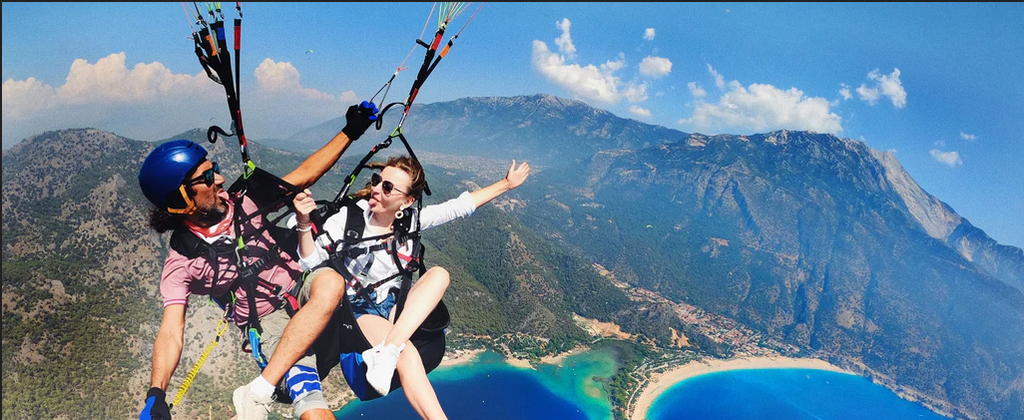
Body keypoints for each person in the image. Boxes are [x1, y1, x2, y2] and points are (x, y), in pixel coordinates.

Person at [234, 155, 531, 420]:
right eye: (378, 181)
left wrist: (506, 184)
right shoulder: (349, 220)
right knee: (409, 356)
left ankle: (388, 350)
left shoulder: (410, 222)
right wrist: (302, 220)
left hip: (391, 307)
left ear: (407, 201)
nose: (377, 189)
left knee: (440, 274)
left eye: (388, 187)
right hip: (356, 312)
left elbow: (459, 207)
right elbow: (310, 259)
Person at [137, 101, 379, 420]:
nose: (220, 180)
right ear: (182, 200)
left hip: (304, 283)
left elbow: (304, 175)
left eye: (214, 170)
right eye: (207, 177)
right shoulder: (183, 261)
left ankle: (257, 392)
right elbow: (171, 331)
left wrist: (351, 131)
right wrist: (157, 394)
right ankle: (262, 393)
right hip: (269, 321)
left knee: (332, 282)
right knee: (313, 406)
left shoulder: (244, 199)